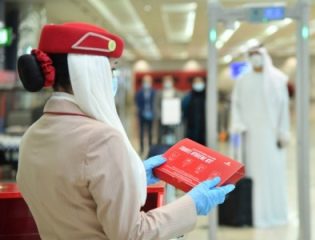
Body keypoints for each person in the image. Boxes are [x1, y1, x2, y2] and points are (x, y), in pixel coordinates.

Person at [16, 22, 235, 240]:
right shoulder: (102, 140)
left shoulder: (32, 136)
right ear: (92, 73)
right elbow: (132, 234)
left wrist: (133, 175)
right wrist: (191, 204)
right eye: (111, 69)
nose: (113, 78)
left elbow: (76, 194)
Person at [230, 46, 290, 228]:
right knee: (253, 177)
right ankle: (253, 216)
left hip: (272, 140)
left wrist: (283, 132)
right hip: (251, 140)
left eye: (258, 54)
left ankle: (275, 214)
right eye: (252, 54)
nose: (255, 58)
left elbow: (284, 110)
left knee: (273, 177)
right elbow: (236, 107)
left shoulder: (278, 80)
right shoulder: (242, 81)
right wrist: (238, 126)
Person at [154, 75, 182, 144]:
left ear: (172, 82)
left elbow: (180, 106)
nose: (167, 82)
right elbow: (156, 105)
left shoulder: (178, 93)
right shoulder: (159, 93)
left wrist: (178, 115)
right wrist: (160, 116)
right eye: (166, 81)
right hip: (162, 120)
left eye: (169, 81)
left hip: (174, 120)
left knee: (174, 136)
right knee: (162, 137)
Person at [135, 75, 156, 153]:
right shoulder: (139, 92)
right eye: (145, 81)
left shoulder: (154, 92)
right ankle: (142, 149)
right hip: (142, 114)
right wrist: (142, 111)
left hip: (151, 114)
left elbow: (155, 103)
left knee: (150, 132)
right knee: (142, 132)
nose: (147, 83)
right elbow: (137, 103)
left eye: (148, 81)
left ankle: (150, 148)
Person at [182, 77, 206, 145]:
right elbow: (184, 109)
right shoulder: (188, 97)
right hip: (191, 128)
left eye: (200, 82)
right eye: (196, 82)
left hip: (204, 129)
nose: (198, 84)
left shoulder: (206, 96)